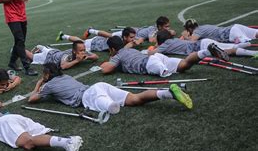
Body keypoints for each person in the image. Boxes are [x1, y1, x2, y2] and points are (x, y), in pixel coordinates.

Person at [28, 63, 193, 112]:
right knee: (135, 100)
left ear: (47, 74)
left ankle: (108, 105)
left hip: (88, 96)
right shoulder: (66, 76)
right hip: (99, 86)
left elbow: (32, 99)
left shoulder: (48, 85)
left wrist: (38, 84)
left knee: (112, 109)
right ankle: (168, 93)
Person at [100, 35, 228, 77]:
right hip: (156, 58)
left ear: (112, 49)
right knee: (184, 65)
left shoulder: (118, 55)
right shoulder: (129, 50)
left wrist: (111, 59)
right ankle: (207, 51)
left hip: (149, 64)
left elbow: (106, 69)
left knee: (169, 76)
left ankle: (207, 51)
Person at [151, 29, 257, 58]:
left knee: (228, 51)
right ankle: (245, 46)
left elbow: (152, 53)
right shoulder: (172, 40)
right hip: (203, 42)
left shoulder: (165, 44)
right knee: (230, 47)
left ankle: (253, 53)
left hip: (201, 46)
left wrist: (154, 47)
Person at [84, 16, 176, 46]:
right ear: (159, 26)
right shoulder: (154, 30)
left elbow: (173, 32)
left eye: (169, 26)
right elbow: (152, 41)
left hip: (135, 32)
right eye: (166, 27)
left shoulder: (158, 29)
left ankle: (95, 35)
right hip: (130, 32)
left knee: (109, 37)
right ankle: (91, 30)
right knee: (110, 36)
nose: (168, 28)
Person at [25, 40, 98, 70]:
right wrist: (77, 60)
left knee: (47, 50)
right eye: (81, 50)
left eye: (84, 50)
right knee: (30, 56)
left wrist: (88, 57)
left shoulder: (83, 52)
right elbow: (63, 66)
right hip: (47, 57)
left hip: (55, 52)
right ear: (74, 51)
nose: (83, 52)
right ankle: (18, 49)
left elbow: (96, 56)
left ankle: (42, 48)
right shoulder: (67, 55)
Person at [182, 18, 258, 43]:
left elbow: (192, 42)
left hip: (231, 33)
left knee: (247, 44)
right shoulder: (204, 26)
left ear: (189, 29)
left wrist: (186, 37)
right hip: (235, 27)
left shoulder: (197, 31)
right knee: (256, 34)